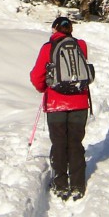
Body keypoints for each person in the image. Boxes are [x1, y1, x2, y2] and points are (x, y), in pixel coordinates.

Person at [30, 15, 90, 201]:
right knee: (75, 142)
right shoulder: (81, 46)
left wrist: (43, 88)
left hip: (56, 104)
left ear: (55, 29)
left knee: (59, 143)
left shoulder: (48, 48)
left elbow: (36, 76)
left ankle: (61, 184)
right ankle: (78, 185)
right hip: (80, 103)